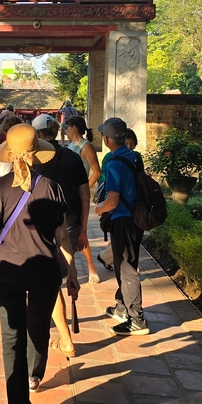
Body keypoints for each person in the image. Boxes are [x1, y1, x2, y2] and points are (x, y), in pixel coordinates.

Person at [0, 123, 80, 404]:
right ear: (37, 154)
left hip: (7, 272)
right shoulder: (53, 187)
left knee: (10, 339)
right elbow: (61, 237)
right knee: (38, 328)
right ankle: (33, 375)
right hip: (45, 271)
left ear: (8, 154)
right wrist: (72, 272)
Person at [32, 113, 92, 355]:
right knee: (55, 276)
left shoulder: (33, 161)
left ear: (37, 135)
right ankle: (54, 323)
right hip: (72, 223)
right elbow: (85, 196)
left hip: (42, 227)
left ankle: (65, 338)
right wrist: (84, 229)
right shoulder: (72, 157)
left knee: (49, 281)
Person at [94, 116, 149, 336]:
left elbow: (113, 201)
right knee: (125, 264)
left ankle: (136, 319)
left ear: (107, 140)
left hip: (123, 220)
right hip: (136, 217)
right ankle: (122, 306)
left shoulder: (115, 163)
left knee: (127, 269)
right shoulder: (134, 157)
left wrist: (100, 208)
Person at [97, 127, 144, 271]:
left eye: (132, 144)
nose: (129, 146)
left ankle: (106, 258)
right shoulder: (111, 160)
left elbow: (113, 201)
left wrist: (100, 208)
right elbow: (104, 179)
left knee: (126, 264)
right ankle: (122, 292)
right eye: (127, 143)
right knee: (127, 259)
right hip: (126, 210)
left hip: (128, 211)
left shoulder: (134, 158)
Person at [65, 115, 103, 284]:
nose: (65, 131)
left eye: (67, 127)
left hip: (79, 194)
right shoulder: (71, 146)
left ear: (74, 127)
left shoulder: (86, 146)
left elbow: (96, 171)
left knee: (81, 230)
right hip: (69, 194)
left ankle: (91, 266)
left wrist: (85, 188)